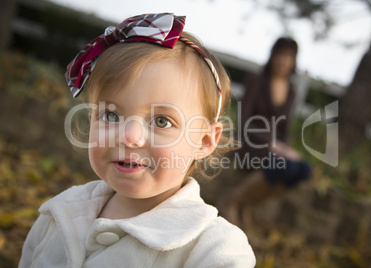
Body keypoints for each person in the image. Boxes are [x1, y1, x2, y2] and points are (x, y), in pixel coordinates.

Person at [19, 13, 255, 268]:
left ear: (205, 141)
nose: (129, 136)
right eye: (110, 115)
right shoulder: (59, 213)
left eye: (161, 121)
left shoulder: (213, 250)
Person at [218, 37, 311, 227]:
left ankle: (245, 204)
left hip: (273, 149)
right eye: (279, 54)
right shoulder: (257, 81)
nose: (282, 60)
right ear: (272, 56)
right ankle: (230, 201)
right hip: (248, 142)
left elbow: (285, 129)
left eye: (288, 56)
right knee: (280, 164)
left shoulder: (291, 91)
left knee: (302, 169)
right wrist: (271, 144)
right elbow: (243, 122)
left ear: (293, 61)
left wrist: (286, 149)